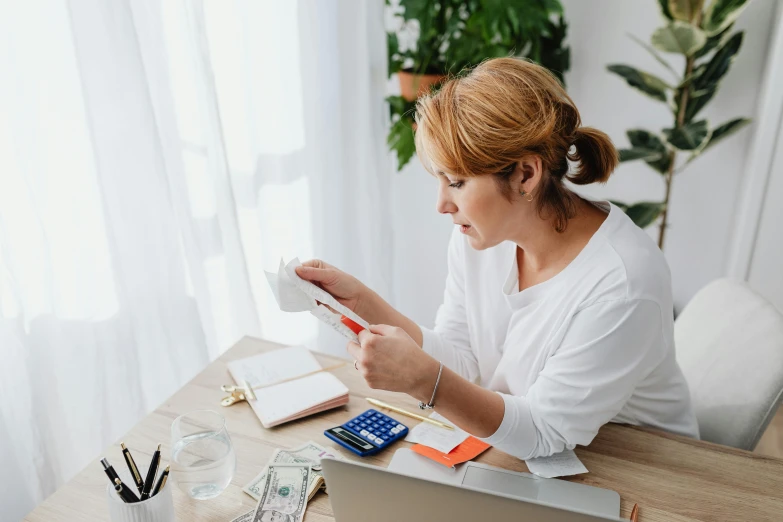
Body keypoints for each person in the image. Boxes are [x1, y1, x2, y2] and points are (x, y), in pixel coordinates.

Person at [296, 57, 699, 460]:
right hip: (549, 455)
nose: (441, 205)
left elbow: (544, 431)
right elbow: (463, 361)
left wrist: (425, 383)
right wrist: (363, 305)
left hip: (644, 464)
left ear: (525, 174)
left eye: (456, 182)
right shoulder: (481, 238)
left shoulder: (623, 282)